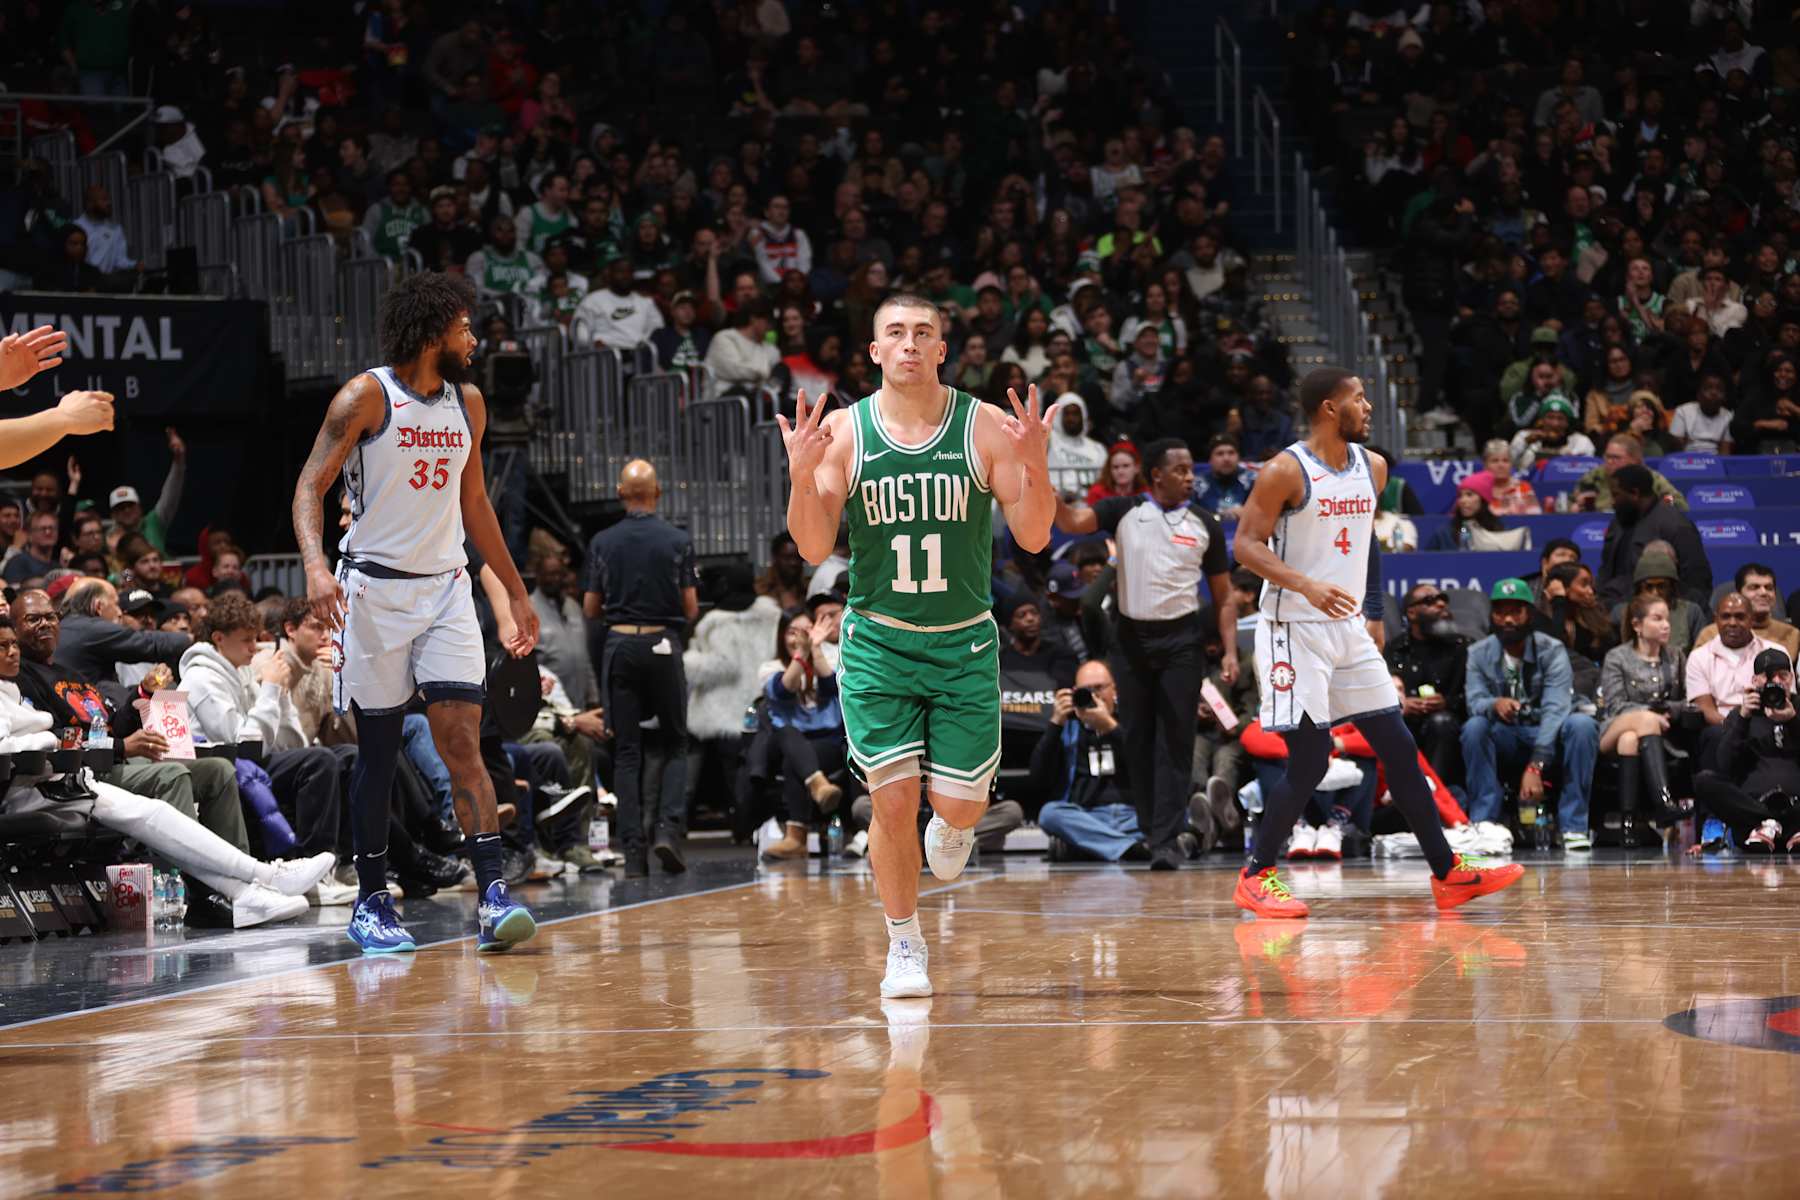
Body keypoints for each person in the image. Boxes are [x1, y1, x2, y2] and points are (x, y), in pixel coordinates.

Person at [775, 291, 1056, 998]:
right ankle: (904, 942)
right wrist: (800, 477)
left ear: (941, 349)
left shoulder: (983, 424)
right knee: (893, 802)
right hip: (880, 643)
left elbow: (1033, 536)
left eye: (922, 332)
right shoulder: (845, 430)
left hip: (963, 644)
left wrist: (1037, 464)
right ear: (875, 352)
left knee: (957, 807)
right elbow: (812, 545)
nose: (909, 343)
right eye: (895, 333)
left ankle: (956, 827)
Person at [292, 271, 541, 955]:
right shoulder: (366, 397)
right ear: (434, 332)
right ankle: (372, 900)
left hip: (446, 591)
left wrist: (516, 590)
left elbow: (476, 504)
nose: (474, 338)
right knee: (376, 753)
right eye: (464, 327)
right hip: (372, 594)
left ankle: (493, 896)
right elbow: (310, 487)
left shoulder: (469, 402)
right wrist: (315, 565)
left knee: (462, 742)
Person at [1231, 367, 1523, 917]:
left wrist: (1373, 610)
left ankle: (1448, 872)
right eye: (1359, 399)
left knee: (1399, 747)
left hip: (1347, 626)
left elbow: (1364, 538)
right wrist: (1305, 584)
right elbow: (1246, 545)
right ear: (1328, 408)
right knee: (1311, 760)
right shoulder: (1285, 470)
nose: (1368, 408)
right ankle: (1256, 874)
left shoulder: (1374, 466)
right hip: (1293, 627)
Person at [0, 620, 327, 929]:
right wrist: (48, 740)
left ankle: (248, 889)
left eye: (13, 644)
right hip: (34, 787)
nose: (12, 652)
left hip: (69, 779)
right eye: (3, 646)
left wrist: (141, 695)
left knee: (173, 800)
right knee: (165, 787)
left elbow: (106, 725)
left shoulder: (26, 688)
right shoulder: (21, 685)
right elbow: (13, 745)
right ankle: (258, 879)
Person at [1054, 438, 1238, 870]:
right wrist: (1047, 490)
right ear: (1156, 475)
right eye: (1181, 470)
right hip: (1131, 639)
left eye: (1191, 469)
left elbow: (1224, 596)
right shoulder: (1124, 511)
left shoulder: (1205, 523)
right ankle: (1156, 830)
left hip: (1181, 640)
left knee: (1176, 740)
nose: (1191, 477)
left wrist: (1230, 651)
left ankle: (1165, 840)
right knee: (1137, 738)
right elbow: (1073, 521)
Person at [177, 590, 355, 886]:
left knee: (347, 756)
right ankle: (313, 873)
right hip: (227, 768)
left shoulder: (241, 671)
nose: (254, 647)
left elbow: (293, 743)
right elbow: (242, 744)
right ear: (219, 638)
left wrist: (280, 695)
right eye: (246, 640)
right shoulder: (200, 679)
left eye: (255, 638)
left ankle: (346, 863)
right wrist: (271, 688)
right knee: (319, 761)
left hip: (252, 764)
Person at [582, 459, 699, 877]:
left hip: (620, 645)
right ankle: (668, 830)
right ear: (658, 494)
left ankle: (633, 854)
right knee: (676, 742)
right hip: (662, 642)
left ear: (620, 493)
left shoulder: (602, 542)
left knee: (627, 752)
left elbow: (590, 607)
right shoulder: (677, 540)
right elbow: (690, 607)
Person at [1462, 578, 1602, 852]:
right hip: (1508, 735)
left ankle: (1573, 827)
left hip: (1547, 732)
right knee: (1475, 727)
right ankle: (1484, 824)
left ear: (1530, 614)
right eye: (1501, 612)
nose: (1508, 619)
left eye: (1516, 611)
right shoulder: (1478, 653)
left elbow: (1556, 708)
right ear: (1492, 616)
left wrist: (1536, 764)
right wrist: (1495, 703)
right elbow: (1474, 701)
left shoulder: (1551, 649)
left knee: (1582, 724)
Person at [1031, 659, 1147, 862]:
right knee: (1050, 814)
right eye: (1086, 690)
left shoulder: (1132, 720)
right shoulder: (1069, 727)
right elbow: (1038, 775)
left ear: (1115, 689)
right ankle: (1130, 847)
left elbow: (1147, 766)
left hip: (1134, 815)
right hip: (1088, 816)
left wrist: (1110, 727)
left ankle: (1090, 847)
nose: (1094, 696)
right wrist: (1055, 723)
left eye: (1099, 688)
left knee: (1176, 812)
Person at [755, 606, 846, 861]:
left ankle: (796, 838)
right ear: (781, 636)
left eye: (805, 630)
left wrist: (815, 649)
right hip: (783, 740)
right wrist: (801, 654)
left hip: (825, 743)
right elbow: (785, 690)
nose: (798, 637)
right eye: (792, 632)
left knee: (795, 761)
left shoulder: (832, 657)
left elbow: (832, 687)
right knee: (788, 734)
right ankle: (819, 786)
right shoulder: (770, 667)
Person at [1598, 594, 1688, 842]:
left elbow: (1686, 701)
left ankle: (1628, 823)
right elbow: (1615, 705)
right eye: (1657, 619)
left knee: (1629, 739)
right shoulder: (1617, 657)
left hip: (1657, 735)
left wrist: (1668, 709)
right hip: (1614, 727)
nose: (1666, 625)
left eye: (1667, 619)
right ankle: (1664, 803)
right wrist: (1648, 713)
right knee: (1642, 722)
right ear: (1637, 625)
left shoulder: (1676, 656)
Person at [1692, 648, 1800, 851]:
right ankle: (1782, 827)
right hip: (1752, 805)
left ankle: (1775, 827)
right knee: (1703, 780)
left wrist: (1793, 721)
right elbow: (1724, 764)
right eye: (1769, 677)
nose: (1776, 682)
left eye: (1783, 675)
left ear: (1791, 679)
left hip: (1796, 804)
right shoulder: (1741, 714)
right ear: (1755, 681)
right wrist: (1743, 719)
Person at [1384, 585, 1471, 787]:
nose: (1441, 604)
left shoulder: (1462, 647)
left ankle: (1437, 793)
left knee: (1441, 722)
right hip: (1407, 723)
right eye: (1430, 601)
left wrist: (1446, 703)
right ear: (1411, 613)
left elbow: (1474, 696)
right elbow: (1381, 695)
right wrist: (1403, 705)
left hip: (1449, 726)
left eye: (1442, 599)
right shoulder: (1395, 649)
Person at [1597, 464, 1712, 609]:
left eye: (1616, 495)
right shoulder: (1618, 522)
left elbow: (1697, 583)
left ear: (1635, 493)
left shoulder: (1675, 526)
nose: (1612, 502)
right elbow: (1605, 570)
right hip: (1613, 605)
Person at [1686, 591, 1774, 771]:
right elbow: (1705, 709)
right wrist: (1738, 726)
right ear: (1716, 619)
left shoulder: (1774, 652)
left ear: (1751, 619)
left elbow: (1786, 698)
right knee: (1717, 736)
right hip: (1721, 725)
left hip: (1763, 723)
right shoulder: (1699, 657)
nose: (1732, 623)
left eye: (1740, 617)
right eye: (1725, 616)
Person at [1693, 563, 1800, 663]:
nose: (1763, 592)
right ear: (1739, 593)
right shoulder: (1711, 634)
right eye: (1754, 587)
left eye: (1769, 588)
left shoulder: (1791, 634)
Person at [1572, 433, 1687, 513]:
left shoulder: (1649, 477)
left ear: (1634, 460)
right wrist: (1575, 506)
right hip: (1599, 526)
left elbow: (1678, 502)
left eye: (1616, 458)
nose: (1610, 462)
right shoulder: (1595, 475)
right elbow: (1569, 502)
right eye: (1607, 456)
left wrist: (1657, 506)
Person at [1668, 370, 1735, 453]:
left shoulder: (1728, 416)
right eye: (1708, 388)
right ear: (1698, 394)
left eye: (1719, 389)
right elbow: (1676, 451)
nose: (1714, 393)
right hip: (1687, 458)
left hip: (1715, 459)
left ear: (1725, 396)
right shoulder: (1683, 411)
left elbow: (1725, 451)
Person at [1193, 434, 1251, 519]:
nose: (1226, 458)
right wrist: (1220, 515)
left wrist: (1248, 514)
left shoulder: (1252, 480)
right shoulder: (1196, 484)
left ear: (1238, 457)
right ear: (1210, 460)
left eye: (1231, 453)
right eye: (1220, 454)